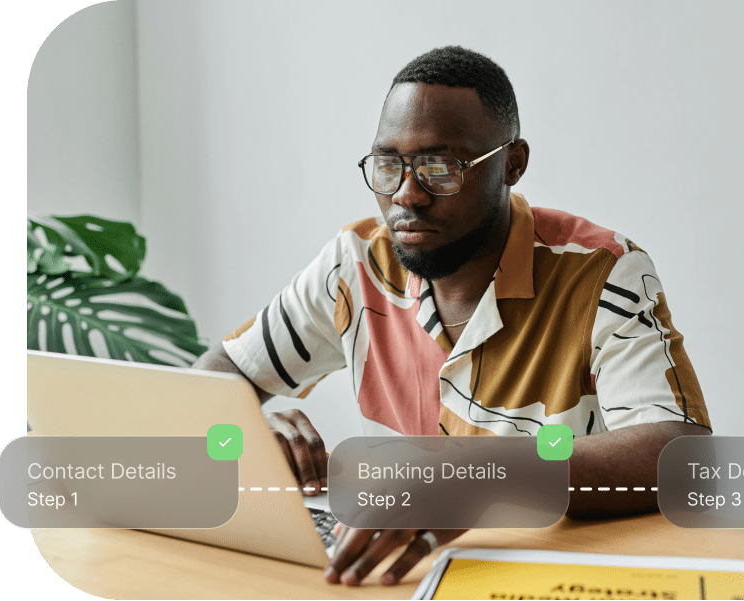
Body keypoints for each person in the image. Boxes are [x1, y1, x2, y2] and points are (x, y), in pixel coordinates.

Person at [193, 46, 712, 587]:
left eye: (440, 168)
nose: (407, 195)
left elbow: (680, 454)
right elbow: (217, 374)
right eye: (388, 165)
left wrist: (476, 478)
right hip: (392, 576)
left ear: (512, 164)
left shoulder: (600, 271)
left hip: (543, 577)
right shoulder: (356, 264)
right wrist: (248, 428)